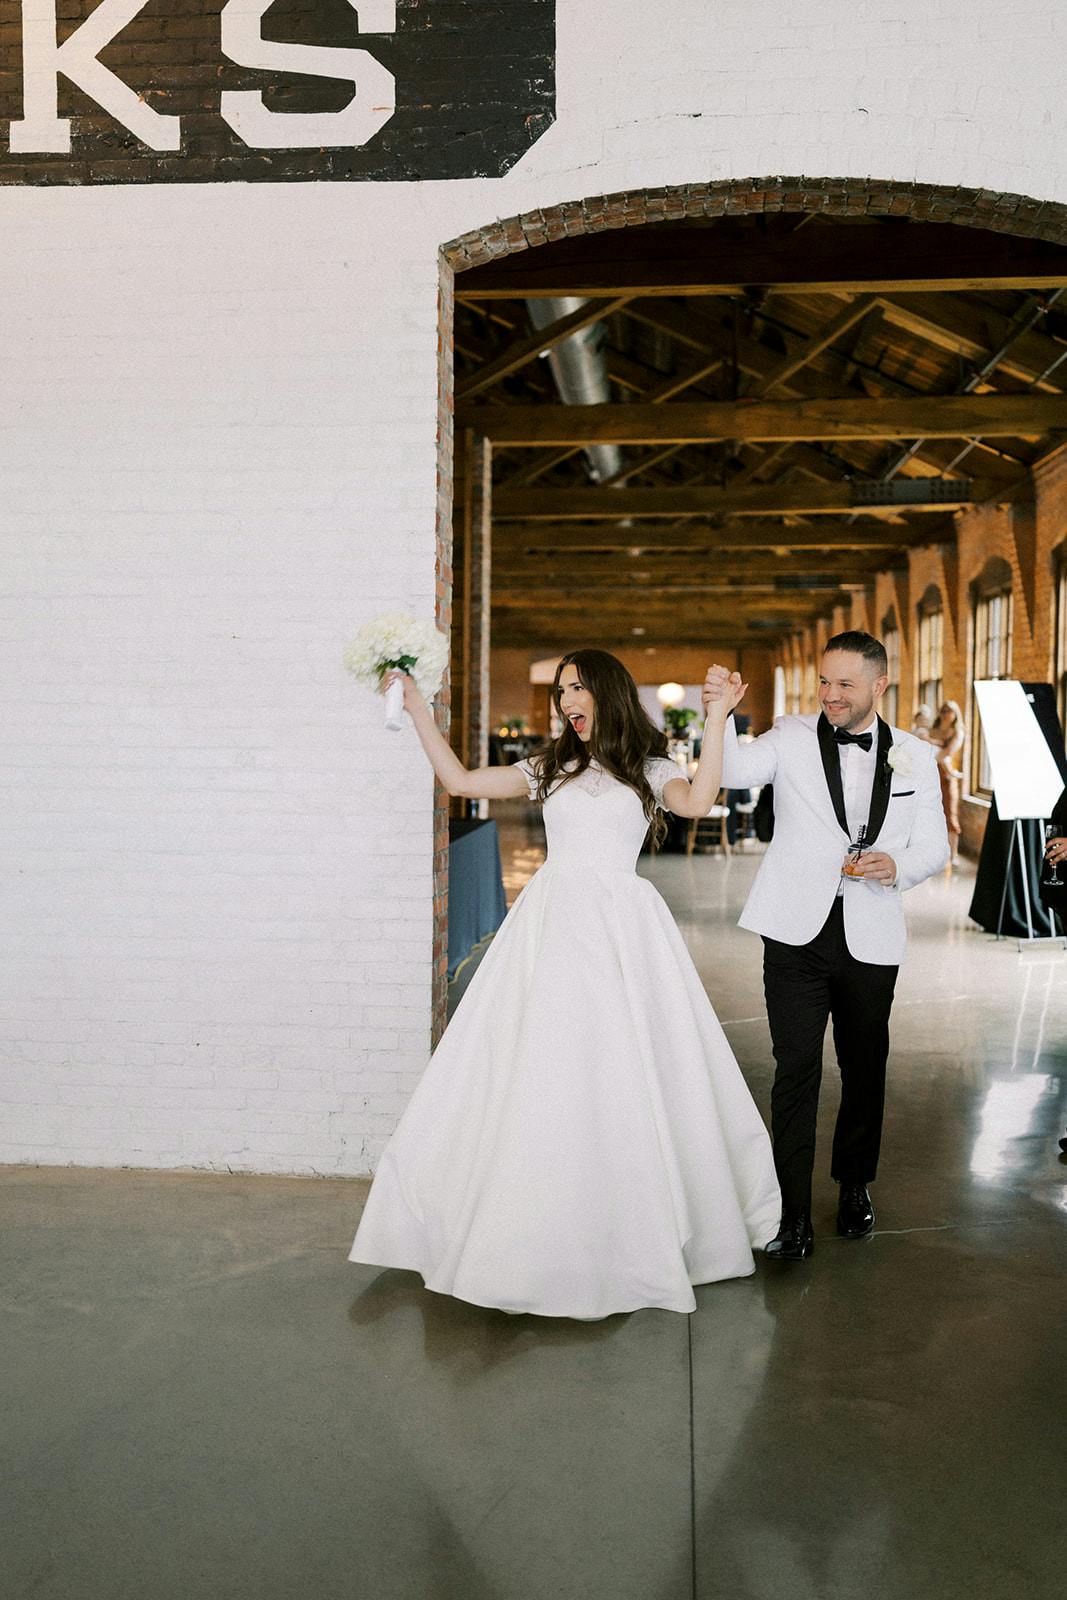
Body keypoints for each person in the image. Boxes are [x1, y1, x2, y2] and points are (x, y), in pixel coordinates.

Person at [349, 649, 781, 1319]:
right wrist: (416, 711)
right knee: (539, 1065)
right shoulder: (548, 767)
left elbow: (696, 802)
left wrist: (718, 716)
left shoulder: (649, 767)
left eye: (576, 689)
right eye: (561, 694)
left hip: (621, 926)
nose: (566, 703)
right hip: (551, 924)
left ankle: (627, 1229)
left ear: (606, 693)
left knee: (622, 1065)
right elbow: (461, 780)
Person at [703, 631, 949, 1261]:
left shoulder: (917, 757)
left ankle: (854, 1186)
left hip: (871, 936)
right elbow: (729, 773)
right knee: (796, 1071)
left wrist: (895, 865)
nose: (831, 696)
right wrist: (718, 715)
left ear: (878, 686)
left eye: (845, 684)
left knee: (865, 1071)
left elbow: (936, 848)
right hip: (795, 935)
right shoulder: (788, 738)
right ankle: (791, 1213)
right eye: (824, 682)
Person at [928, 699, 966, 862]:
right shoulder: (933, 729)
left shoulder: (957, 732)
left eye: (949, 711)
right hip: (929, 773)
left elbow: (947, 752)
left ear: (955, 714)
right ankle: (930, 851)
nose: (945, 714)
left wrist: (931, 757)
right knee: (928, 812)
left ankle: (953, 854)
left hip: (945, 774)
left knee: (950, 813)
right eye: (943, 710)